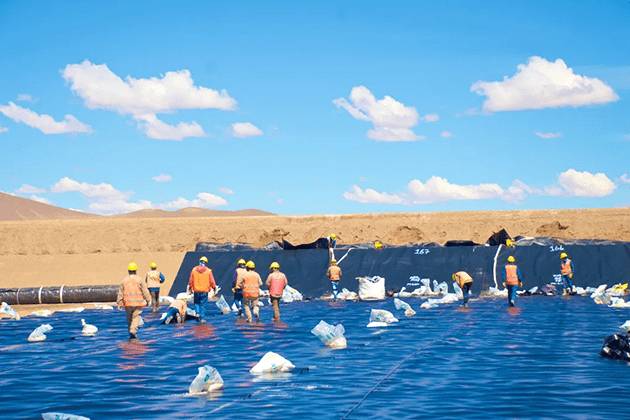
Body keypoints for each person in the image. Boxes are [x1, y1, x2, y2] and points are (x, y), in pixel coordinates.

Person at [117, 262, 152, 339]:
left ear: (128, 271)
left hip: (127, 303)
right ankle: (133, 331)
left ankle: (130, 332)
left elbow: (120, 292)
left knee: (129, 318)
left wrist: (119, 302)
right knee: (136, 317)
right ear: (136, 270)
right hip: (138, 303)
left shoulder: (124, 280)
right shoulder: (139, 279)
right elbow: (145, 291)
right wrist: (148, 299)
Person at [188, 256, 217, 323]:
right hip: (204, 291)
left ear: (199, 261)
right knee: (203, 304)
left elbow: (190, 280)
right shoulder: (208, 271)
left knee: (197, 303)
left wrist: (190, 287)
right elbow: (212, 281)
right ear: (206, 262)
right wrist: (214, 287)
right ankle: (202, 318)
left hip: (196, 290)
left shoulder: (194, 270)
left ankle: (197, 313)